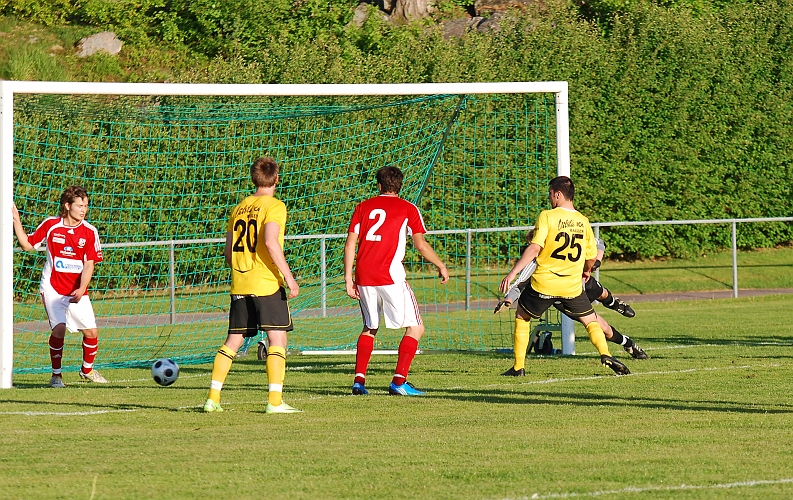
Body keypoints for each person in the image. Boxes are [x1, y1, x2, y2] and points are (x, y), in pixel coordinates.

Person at [498, 176, 631, 377]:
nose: (550, 199)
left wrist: (512, 273)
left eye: (550, 194)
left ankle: (518, 367)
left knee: (522, 317)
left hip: (545, 283)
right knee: (590, 321)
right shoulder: (583, 221)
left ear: (558, 194)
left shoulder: (547, 216)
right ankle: (605, 353)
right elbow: (591, 256)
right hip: (571, 286)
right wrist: (587, 271)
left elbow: (535, 248)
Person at [203, 157, 301, 414]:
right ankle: (275, 402)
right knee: (277, 337)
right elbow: (270, 242)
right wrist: (289, 277)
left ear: (253, 178)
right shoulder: (275, 206)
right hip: (266, 282)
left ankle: (213, 398)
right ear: (276, 179)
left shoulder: (239, 208)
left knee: (233, 340)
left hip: (240, 281)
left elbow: (227, 252)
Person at [344, 166, 449, 396]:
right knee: (416, 327)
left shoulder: (363, 207)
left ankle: (359, 381)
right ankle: (399, 381)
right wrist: (440, 265)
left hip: (364, 275)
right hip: (390, 276)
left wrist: (347, 278)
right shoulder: (408, 208)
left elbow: (350, 243)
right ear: (400, 186)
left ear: (379, 185)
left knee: (370, 327)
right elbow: (420, 244)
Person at [495, 233, 647, 364]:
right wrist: (508, 300)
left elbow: (600, 243)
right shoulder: (536, 262)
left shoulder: (567, 244)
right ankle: (629, 345)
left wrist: (593, 265)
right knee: (603, 328)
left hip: (581, 283)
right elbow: (520, 284)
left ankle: (615, 304)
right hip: (567, 297)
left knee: (602, 294)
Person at [12, 185, 107, 387]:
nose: (84, 210)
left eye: (86, 206)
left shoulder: (90, 232)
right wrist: (17, 222)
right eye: (80, 205)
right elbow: (28, 245)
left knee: (91, 332)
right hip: (53, 288)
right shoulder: (51, 225)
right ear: (67, 205)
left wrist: (82, 289)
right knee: (60, 330)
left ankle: (87, 370)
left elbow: (90, 263)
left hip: (77, 290)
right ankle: (56, 376)